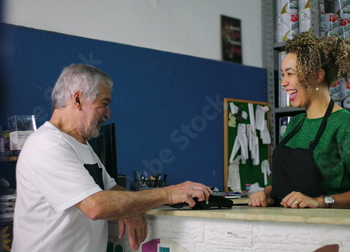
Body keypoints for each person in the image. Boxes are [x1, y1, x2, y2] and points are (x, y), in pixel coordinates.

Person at [11, 64, 212, 252]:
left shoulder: (80, 145)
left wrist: (130, 208)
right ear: (78, 99)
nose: (108, 114)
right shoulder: (47, 145)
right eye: (103, 104)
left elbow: (111, 190)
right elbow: (96, 206)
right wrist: (168, 194)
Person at [248, 32, 350, 209]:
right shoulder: (296, 123)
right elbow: (279, 180)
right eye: (283, 75)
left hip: (330, 230)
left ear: (317, 76)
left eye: (290, 74)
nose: (283, 83)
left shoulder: (347, 125)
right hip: (287, 227)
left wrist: (319, 201)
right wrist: (265, 194)